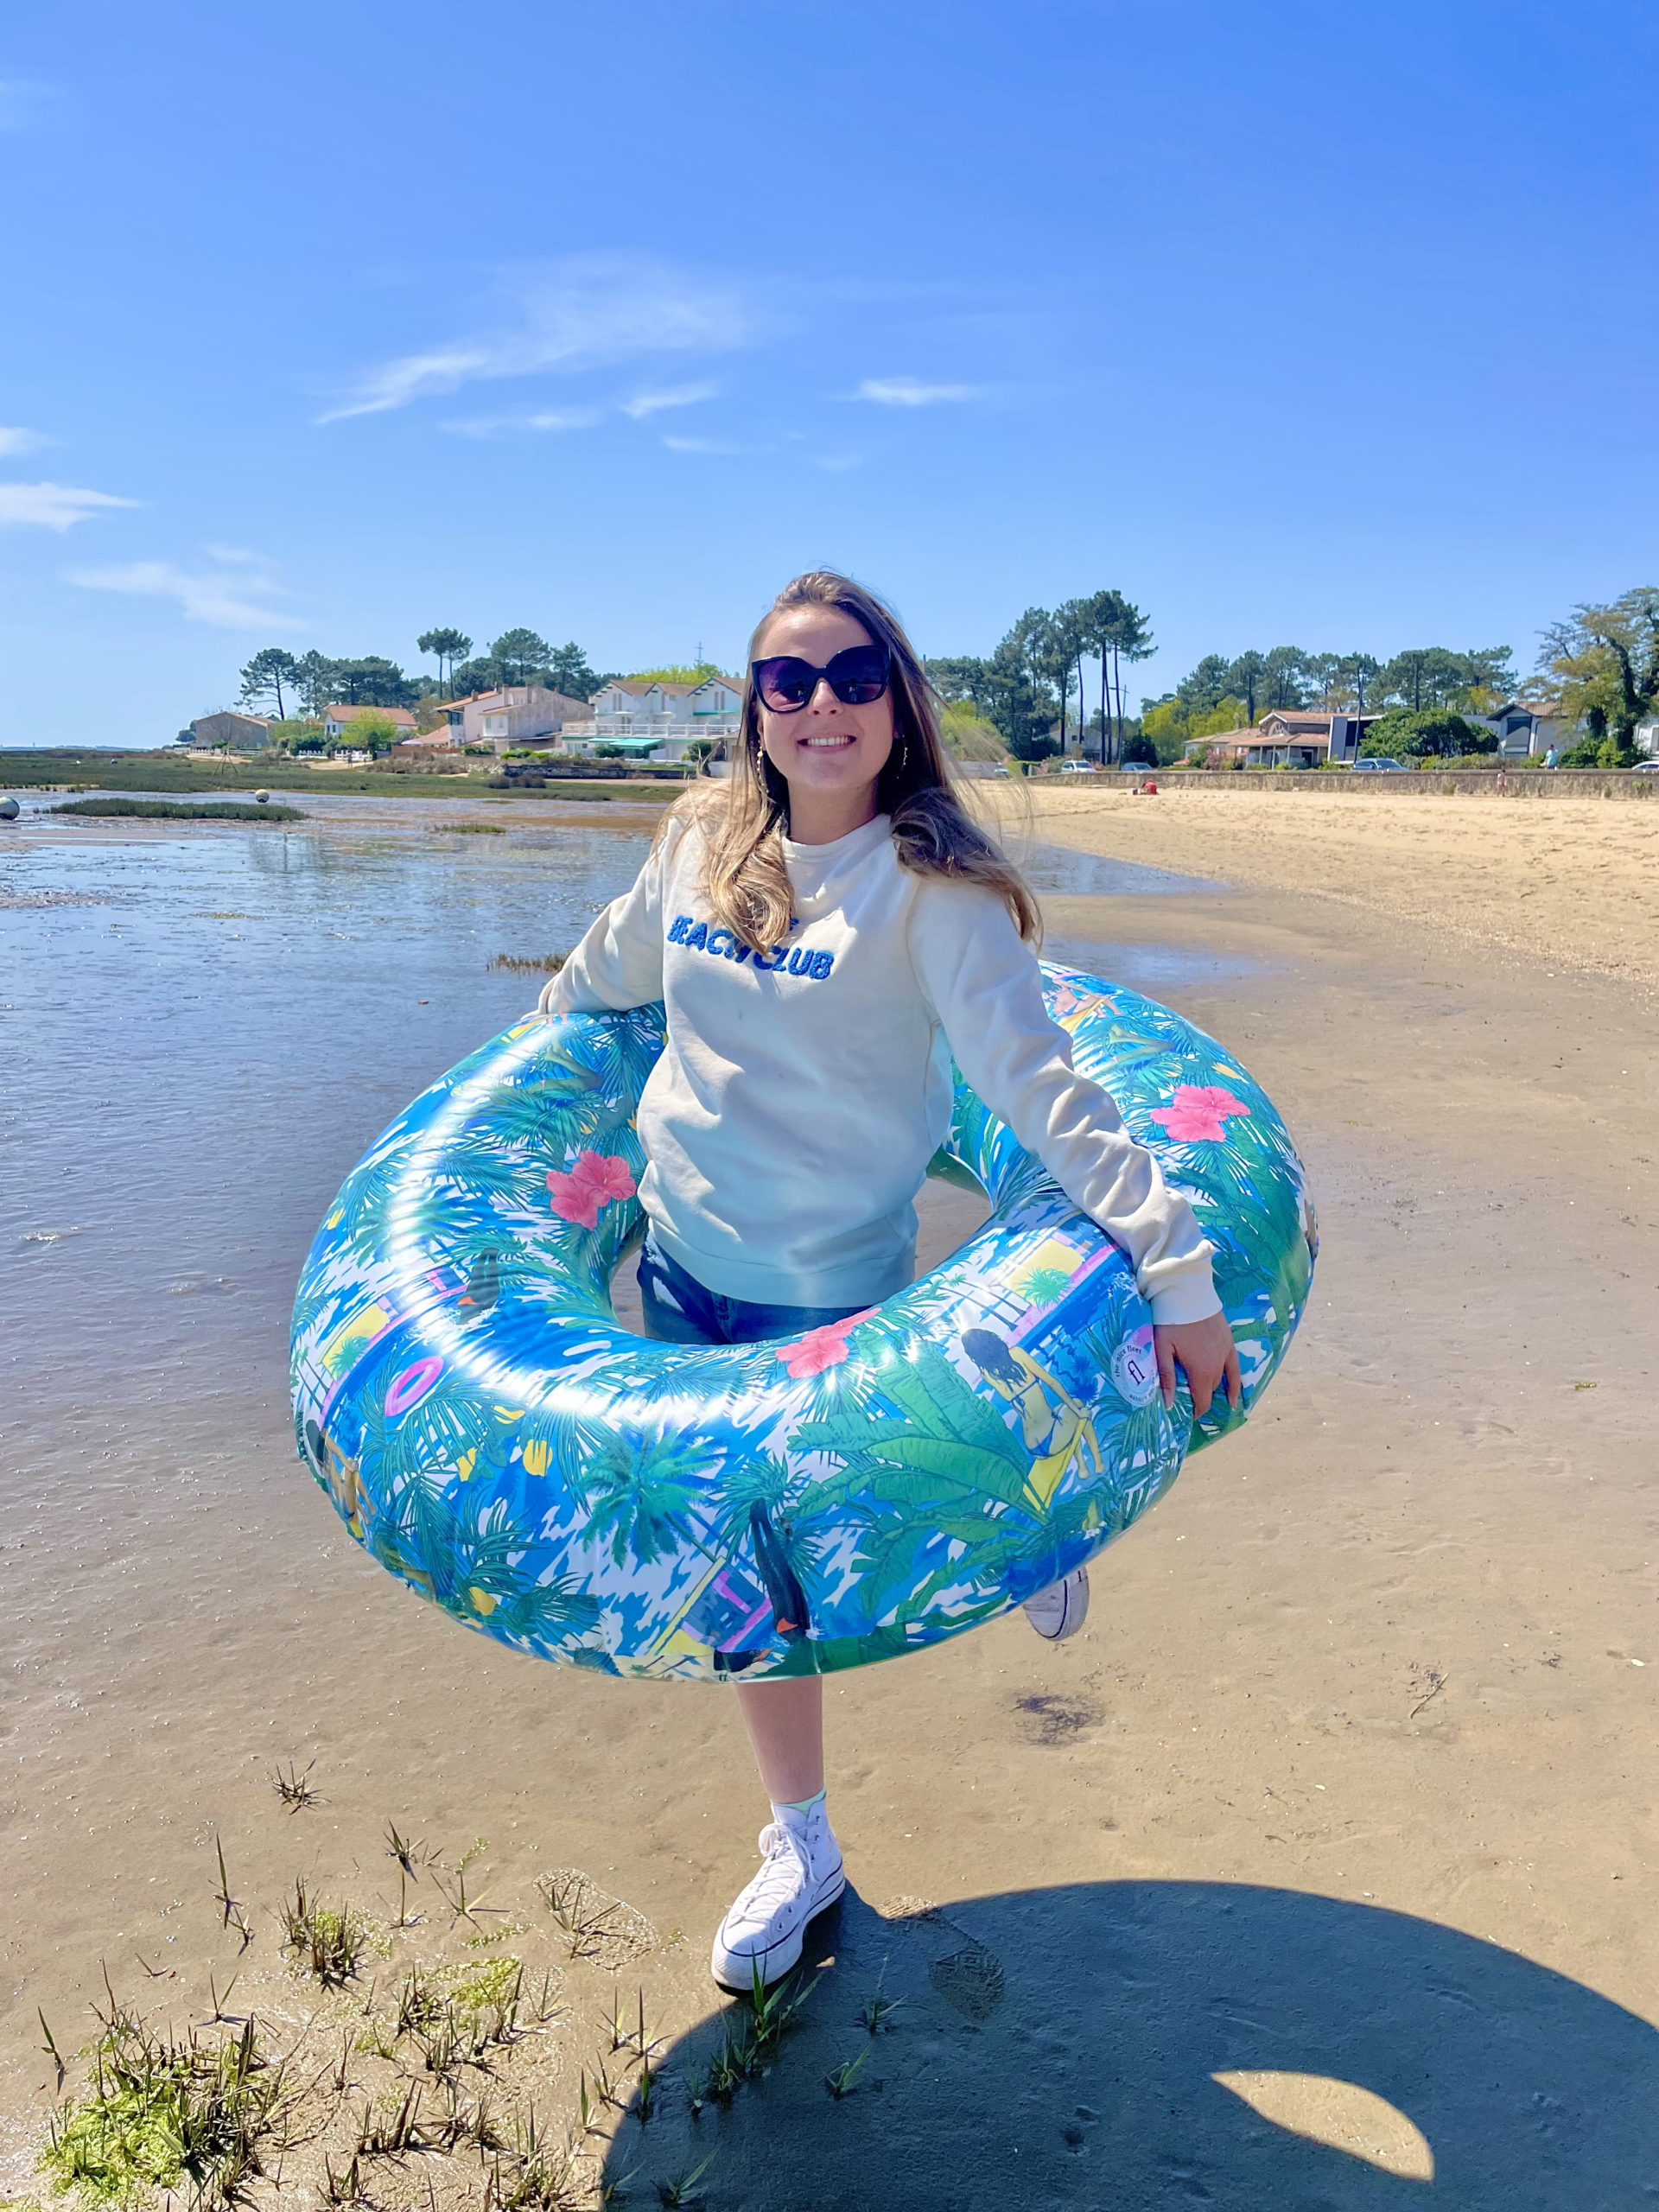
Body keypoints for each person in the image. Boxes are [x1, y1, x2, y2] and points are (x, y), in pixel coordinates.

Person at [540, 570, 1239, 1991]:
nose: (819, 707)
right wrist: (511, 1094)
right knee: (762, 1591)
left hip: (831, 1287)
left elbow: (1043, 1093)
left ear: (898, 700)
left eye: (852, 676)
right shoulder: (697, 839)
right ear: (754, 709)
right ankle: (803, 1846)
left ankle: (1038, 1527)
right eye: (785, 683)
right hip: (678, 1271)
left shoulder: (936, 894)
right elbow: (608, 970)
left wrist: (1179, 1273)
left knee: (869, 1514)